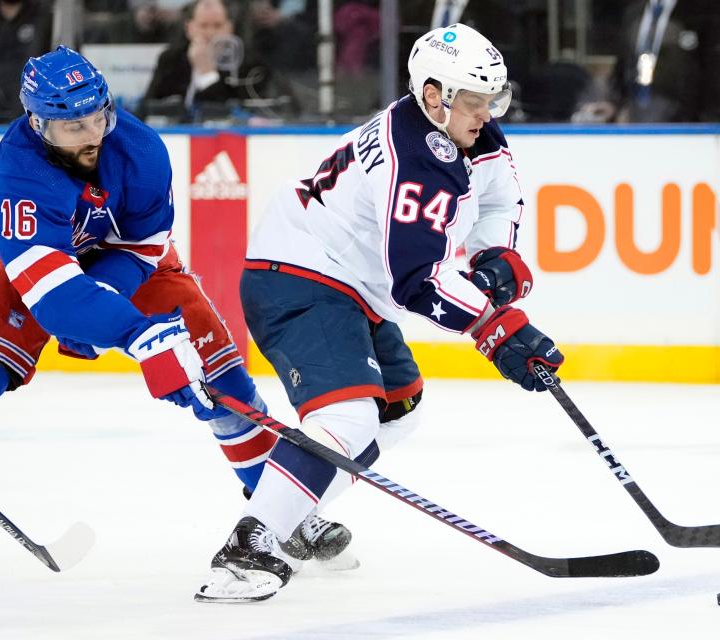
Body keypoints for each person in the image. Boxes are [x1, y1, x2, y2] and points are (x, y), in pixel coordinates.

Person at [0, 46, 349, 582]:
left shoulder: (141, 150)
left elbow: (144, 249)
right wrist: (132, 332)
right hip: (32, 270)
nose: (91, 135)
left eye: (96, 116)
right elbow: (53, 299)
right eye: (71, 126)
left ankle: (279, 512)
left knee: (222, 374)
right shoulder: (18, 170)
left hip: (130, 264)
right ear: (38, 124)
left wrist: (124, 319)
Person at [192, 23, 564, 603]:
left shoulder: (469, 133)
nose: (486, 113)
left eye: (492, 100)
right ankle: (249, 547)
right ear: (434, 94)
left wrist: (494, 252)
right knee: (349, 419)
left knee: (396, 413)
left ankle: (290, 510)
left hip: (353, 285)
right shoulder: (414, 158)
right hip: (299, 273)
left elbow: (497, 197)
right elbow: (418, 282)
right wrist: (494, 328)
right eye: (473, 99)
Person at [579, 0, 720, 123]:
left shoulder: (710, 9)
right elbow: (624, 68)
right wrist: (614, 105)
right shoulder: (634, 11)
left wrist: (709, 126)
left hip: (685, 130)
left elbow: (719, 73)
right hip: (636, 125)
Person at [141, 0, 272, 121]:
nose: (210, 33)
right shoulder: (170, 59)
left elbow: (242, 114)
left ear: (230, 28)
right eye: (203, 26)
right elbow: (145, 108)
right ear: (189, 29)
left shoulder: (249, 64)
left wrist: (207, 74)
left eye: (217, 26)